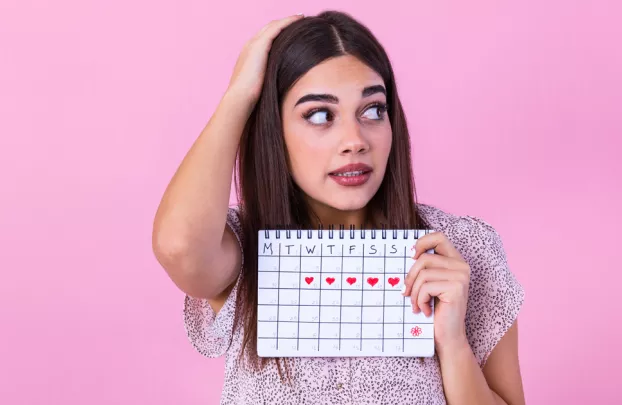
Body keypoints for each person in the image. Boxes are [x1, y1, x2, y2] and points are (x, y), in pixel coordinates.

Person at [152, 10, 526, 405]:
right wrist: (239, 95)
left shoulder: (464, 249)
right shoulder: (243, 249)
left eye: (372, 110)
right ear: (274, 131)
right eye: (319, 115)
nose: (354, 140)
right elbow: (179, 245)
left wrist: (453, 344)